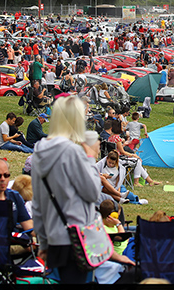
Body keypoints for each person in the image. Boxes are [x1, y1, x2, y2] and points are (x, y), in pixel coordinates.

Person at [32, 96, 130, 284]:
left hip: (54, 235)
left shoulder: (39, 151)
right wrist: (90, 157)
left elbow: (39, 201)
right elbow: (92, 192)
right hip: (77, 237)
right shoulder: (73, 153)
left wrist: (43, 241)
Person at [107, 120, 159, 187]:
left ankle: (150, 181)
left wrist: (124, 145)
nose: (123, 128)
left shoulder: (110, 138)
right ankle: (136, 182)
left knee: (136, 162)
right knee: (137, 161)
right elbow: (122, 152)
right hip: (119, 160)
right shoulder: (117, 138)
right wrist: (133, 154)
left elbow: (117, 150)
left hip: (115, 158)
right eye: (122, 126)